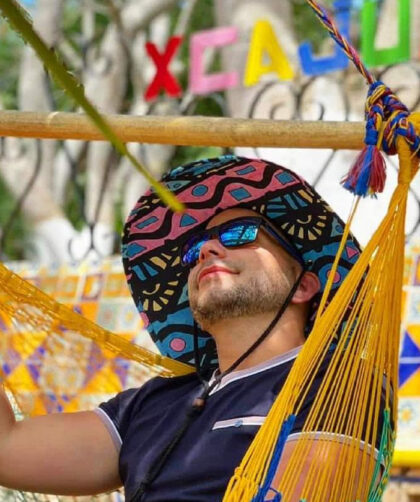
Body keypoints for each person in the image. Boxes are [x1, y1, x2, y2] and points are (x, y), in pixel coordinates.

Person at [0, 156, 382, 501]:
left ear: (303, 286)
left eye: (239, 233)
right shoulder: (153, 403)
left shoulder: (338, 384)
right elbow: (6, 448)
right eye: (194, 248)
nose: (205, 251)